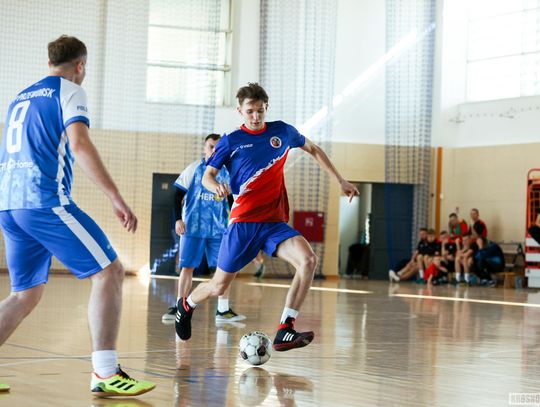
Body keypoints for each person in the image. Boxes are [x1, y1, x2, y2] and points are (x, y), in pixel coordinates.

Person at [0, 36, 154, 397]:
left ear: (50, 60)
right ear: (80, 66)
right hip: (44, 201)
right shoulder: (69, 90)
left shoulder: (20, 97)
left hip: (9, 204)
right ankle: (105, 372)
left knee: (25, 294)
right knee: (110, 271)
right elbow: (80, 145)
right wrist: (115, 196)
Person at [174, 82, 359, 351]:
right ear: (240, 111)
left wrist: (340, 180)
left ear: (266, 108)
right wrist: (215, 187)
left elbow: (313, 149)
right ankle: (186, 305)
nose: (256, 116)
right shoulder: (231, 141)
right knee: (218, 286)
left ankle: (285, 328)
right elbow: (207, 176)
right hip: (243, 224)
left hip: (274, 223)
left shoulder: (282, 131)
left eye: (260, 111)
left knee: (308, 260)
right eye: (250, 111)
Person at [161, 134, 245, 323]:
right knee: (187, 267)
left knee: (225, 268)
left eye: (217, 147)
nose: (214, 150)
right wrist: (178, 219)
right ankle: (179, 306)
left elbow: (233, 202)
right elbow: (176, 195)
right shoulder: (194, 169)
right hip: (193, 228)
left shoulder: (228, 173)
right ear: (204, 148)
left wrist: (234, 222)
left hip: (219, 229)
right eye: (211, 146)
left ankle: (223, 310)